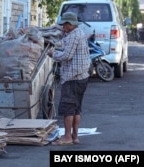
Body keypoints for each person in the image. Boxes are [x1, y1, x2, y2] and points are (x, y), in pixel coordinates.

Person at [47, 12, 91, 145]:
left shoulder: (73, 36)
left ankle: (67, 137)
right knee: (76, 108)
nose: (63, 27)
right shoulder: (79, 33)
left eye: (64, 25)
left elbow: (67, 55)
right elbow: (66, 45)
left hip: (72, 78)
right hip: (82, 77)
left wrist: (52, 54)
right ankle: (75, 136)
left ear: (70, 24)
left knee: (68, 109)